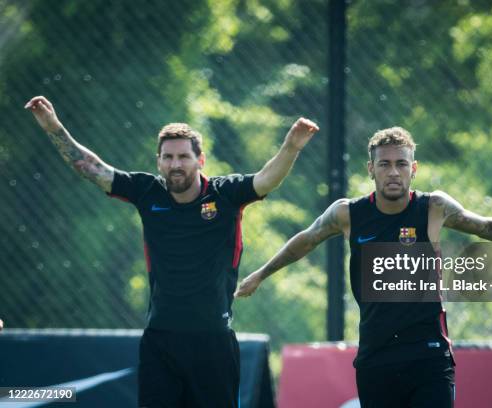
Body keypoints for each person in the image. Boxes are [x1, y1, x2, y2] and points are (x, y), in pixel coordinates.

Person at [234, 126, 492, 408]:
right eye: (385, 164)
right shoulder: (348, 213)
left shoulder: (433, 208)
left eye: (401, 164)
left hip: (428, 356)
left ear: (414, 168)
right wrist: (260, 273)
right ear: (371, 170)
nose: (393, 172)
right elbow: (306, 239)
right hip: (376, 357)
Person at [25, 95, 319, 408]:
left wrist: (291, 146)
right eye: (167, 157)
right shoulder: (146, 191)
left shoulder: (226, 193)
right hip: (160, 340)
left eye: (183, 157)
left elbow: (266, 179)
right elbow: (92, 168)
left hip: (213, 342)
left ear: (200, 160)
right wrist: (54, 128)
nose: (175, 164)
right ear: (158, 161)